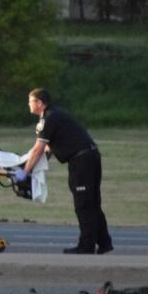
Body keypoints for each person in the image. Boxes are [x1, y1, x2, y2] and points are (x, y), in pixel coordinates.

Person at [16, 88, 112, 255]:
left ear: (40, 103)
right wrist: (31, 166)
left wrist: (25, 171)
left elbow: (38, 149)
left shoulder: (49, 118)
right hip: (90, 156)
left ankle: (86, 246)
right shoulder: (55, 114)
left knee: (83, 205)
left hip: (81, 161)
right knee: (92, 203)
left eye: (30, 101)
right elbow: (47, 148)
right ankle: (104, 242)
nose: (28, 104)